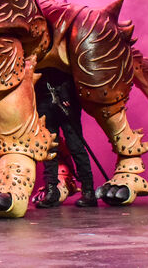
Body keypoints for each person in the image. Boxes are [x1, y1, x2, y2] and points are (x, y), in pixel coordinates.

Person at [33, 67, 97, 208]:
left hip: (66, 97)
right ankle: (52, 191)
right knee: (49, 148)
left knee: (75, 145)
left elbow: (73, 65)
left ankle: (88, 191)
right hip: (43, 97)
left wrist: (66, 89)